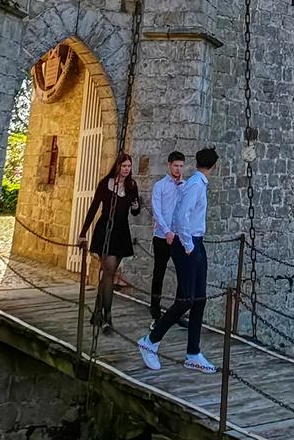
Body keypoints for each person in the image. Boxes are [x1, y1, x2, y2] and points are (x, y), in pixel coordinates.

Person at [138, 145, 217, 372]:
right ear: (214, 165)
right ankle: (151, 341)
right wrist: (189, 244)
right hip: (188, 244)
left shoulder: (195, 183)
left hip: (196, 242)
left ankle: (193, 352)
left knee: (199, 298)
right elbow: (181, 216)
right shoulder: (195, 185)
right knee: (185, 299)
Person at [80, 153, 140, 332]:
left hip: (121, 233)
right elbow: (94, 208)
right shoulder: (105, 184)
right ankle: (108, 316)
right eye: (124, 166)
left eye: (129, 166)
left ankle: (96, 313)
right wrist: (83, 233)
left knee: (108, 273)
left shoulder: (131, 186)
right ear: (117, 166)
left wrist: (136, 207)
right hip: (105, 231)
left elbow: (134, 211)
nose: (126, 169)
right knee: (109, 272)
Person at [148, 150, 185, 323]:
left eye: (181, 166)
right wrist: (166, 231)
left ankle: (177, 313)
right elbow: (157, 211)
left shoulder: (184, 187)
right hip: (162, 237)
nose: (178, 169)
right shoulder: (160, 186)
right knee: (159, 273)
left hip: (178, 237)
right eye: (176, 165)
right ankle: (155, 312)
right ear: (169, 165)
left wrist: (181, 186)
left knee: (181, 274)